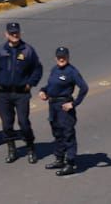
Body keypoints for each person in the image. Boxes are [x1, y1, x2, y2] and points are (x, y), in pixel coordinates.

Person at [0, 22, 43, 164]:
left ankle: (30, 148)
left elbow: (37, 69)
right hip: (3, 94)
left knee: (23, 123)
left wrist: (31, 83)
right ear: (6, 34)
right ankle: (12, 150)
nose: (14, 35)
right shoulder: (0, 51)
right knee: (7, 124)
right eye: (11, 33)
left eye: (16, 32)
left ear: (20, 33)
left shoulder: (28, 50)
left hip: (21, 93)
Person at [40, 46, 89, 176]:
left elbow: (84, 88)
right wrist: (43, 91)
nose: (61, 59)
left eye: (64, 57)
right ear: (55, 57)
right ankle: (59, 159)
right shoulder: (54, 69)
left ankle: (71, 163)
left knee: (68, 134)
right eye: (59, 57)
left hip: (64, 106)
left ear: (68, 57)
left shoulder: (72, 71)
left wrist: (73, 104)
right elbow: (50, 86)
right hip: (53, 105)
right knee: (57, 133)